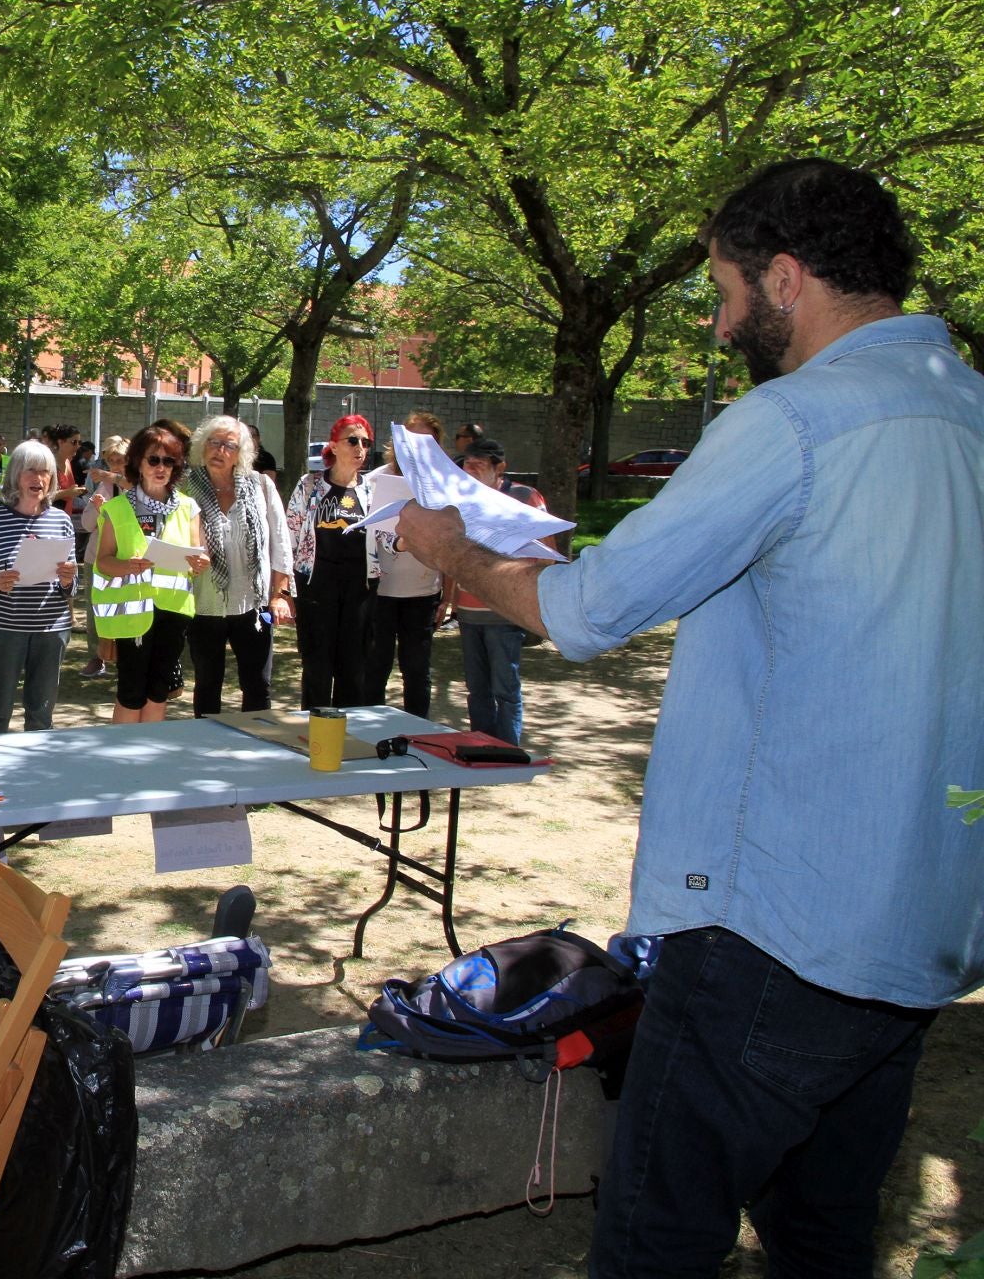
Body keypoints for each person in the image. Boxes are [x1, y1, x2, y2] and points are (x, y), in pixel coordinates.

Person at [397, 158, 984, 1278]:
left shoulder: (797, 421)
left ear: (785, 277)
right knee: (824, 1234)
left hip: (773, 929)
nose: (717, 329)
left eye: (722, 294)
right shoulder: (966, 407)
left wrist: (451, 546)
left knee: (658, 1237)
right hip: (917, 928)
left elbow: (587, 612)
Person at [93, 420, 210, 724]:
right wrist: (125, 566)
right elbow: (102, 561)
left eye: (169, 461)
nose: (162, 467)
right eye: (154, 460)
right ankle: (122, 763)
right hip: (132, 615)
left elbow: (198, 556)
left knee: (159, 691)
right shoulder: (116, 509)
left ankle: (147, 760)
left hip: (174, 612)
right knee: (131, 691)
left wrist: (199, 563)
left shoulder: (188, 507)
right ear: (138, 463)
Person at [436, 437, 547, 745]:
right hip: (470, 612)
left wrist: (539, 599)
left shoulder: (524, 497)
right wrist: (448, 599)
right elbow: (451, 555)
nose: (469, 471)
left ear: (501, 469)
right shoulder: (461, 504)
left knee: (505, 688)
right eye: (466, 464)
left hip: (506, 610)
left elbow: (546, 550)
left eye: (478, 465)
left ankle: (508, 749)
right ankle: (482, 746)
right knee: (477, 688)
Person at [182, 415, 292, 717]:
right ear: (202, 447)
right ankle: (207, 748)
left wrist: (278, 596)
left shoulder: (261, 486)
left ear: (241, 452)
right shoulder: (185, 489)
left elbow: (281, 544)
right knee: (207, 684)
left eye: (229, 445)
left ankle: (257, 747)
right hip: (204, 604)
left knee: (258, 684)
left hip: (254, 605)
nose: (220, 451)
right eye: (213, 443)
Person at [0, 441, 78, 734]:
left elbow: (72, 585)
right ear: (16, 474)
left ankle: (34, 773)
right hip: (3, 629)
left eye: (45, 472)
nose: (38, 479)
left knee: (41, 715)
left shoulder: (62, 521)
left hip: (51, 630)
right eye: (31, 471)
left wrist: (68, 580)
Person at [284, 415, 379, 709]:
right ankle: (314, 734)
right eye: (352, 440)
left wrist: (402, 543)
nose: (360, 448)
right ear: (334, 446)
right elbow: (290, 535)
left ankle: (348, 735)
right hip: (317, 586)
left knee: (353, 668)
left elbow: (384, 537)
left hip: (360, 588)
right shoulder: (310, 484)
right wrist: (285, 589)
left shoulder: (372, 489)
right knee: (317, 667)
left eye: (365, 442)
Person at [368, 411, 445, 718]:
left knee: (416, 670)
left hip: (423, 593)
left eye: (426, 442)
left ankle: (419, 734)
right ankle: (370, 729)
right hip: (380, 591)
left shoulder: (443, 485)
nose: (417, 448)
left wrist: (449, 597)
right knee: (375, 667)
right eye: (410, 440)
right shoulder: (374, 481)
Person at [76, 434, 130, 679]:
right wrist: (99, 511)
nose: (116, 466)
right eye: (111, 461)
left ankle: (125, 657)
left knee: (126, 607)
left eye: (121, 460)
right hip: (97, 557)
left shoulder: (139, 488)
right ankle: (97, 657)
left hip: (128, 557)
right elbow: (87, 524)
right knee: (96, 608)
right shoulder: (104, 487)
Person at [247, 422, 279, 487]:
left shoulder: (267, 458)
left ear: (258, 439)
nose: (249, 438)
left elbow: (268, 483)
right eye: (246, 436)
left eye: (253, 435)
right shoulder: (236, 457)